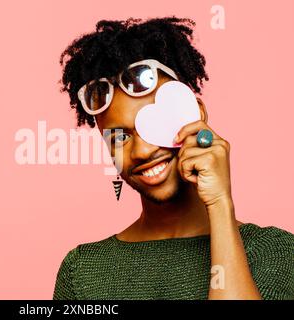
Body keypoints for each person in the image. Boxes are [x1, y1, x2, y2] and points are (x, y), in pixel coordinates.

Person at [52, 16, 294, 300]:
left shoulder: (278, 255)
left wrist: (219, 205)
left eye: (153, 124)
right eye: (119, 137)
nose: (141, 151)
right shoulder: (83, 272)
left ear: (195, 113)